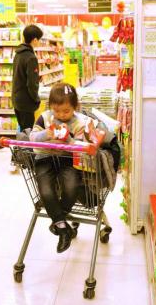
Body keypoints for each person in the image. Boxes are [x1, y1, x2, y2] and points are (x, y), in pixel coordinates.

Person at [29, 83, 94, 253]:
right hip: (44, 157)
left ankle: (59, 218)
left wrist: (69, 141)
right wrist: (46, 134)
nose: (61, 115)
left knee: (71, 187)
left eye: (66, 111)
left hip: (68, 159)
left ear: (75, 107)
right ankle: (63, 228)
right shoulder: (44, 117)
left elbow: (83, 146)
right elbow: (32, 137)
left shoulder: (80, 123)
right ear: (50, 106)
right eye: (57, 111)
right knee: (46, 191)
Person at [12, 24, 43, 132]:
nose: (39, 42)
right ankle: (26, 149)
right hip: (26, 102)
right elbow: (31, 83)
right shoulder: (31, 57)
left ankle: (22, 148)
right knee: (28, 131)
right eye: (39, 40)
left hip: (17, 99)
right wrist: (36, 99)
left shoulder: (18, 54)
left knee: (22, 130)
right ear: (34, 40)